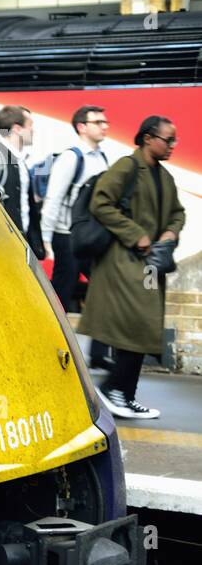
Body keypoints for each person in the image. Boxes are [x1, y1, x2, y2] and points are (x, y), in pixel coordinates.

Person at [78, 116, 186, 420]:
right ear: (148, 138)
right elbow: (101, 203)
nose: (173, 146)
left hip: (150, 264)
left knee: (145, 327)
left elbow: (178, 213)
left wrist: (170, 233)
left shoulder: (163, 176)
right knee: (138, 325)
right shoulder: (127, 167)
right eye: (169, 139)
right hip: (123, 262)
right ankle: (115, 389)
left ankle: (124, 394)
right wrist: (135, 234)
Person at [41, 106, 110, 311]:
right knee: (62, 291)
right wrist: (47, 239)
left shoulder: (102, 158)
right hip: (67, 237)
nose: (104, 126)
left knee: (103, 287)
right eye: (98, 122)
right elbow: (53, 198)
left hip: (91, 237)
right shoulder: (71, 158)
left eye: (105, 122)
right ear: (82, 127)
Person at [0, 105, 40, 249]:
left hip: (21, 242)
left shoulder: (20, 161)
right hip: (2, 244)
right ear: (17, 129)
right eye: (30, 126)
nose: (33, 131)